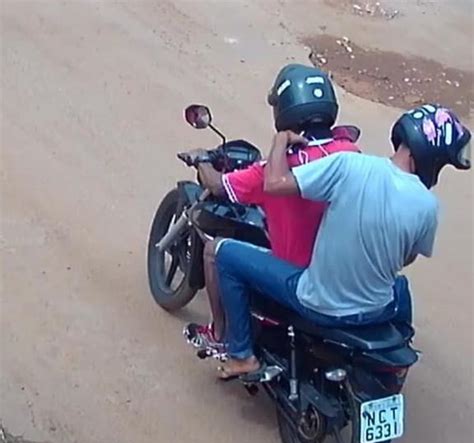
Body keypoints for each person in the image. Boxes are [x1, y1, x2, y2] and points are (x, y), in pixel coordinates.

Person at [214, 104, 471, 379]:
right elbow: (406, 259)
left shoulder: (350, 165)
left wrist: (280, 141)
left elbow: (275, 183)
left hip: (319, 302)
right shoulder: (428, 206)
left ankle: (241, 355)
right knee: (400, 286)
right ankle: (396, 356)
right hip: (378, 309)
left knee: (224, 253)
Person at [183, 64, 361, 352]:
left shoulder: (272, 171)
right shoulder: (351, 154)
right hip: (342, 277)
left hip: (298, 280)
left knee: (216, 252)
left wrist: (201, 159)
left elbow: (217, 186)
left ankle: (222, 336)